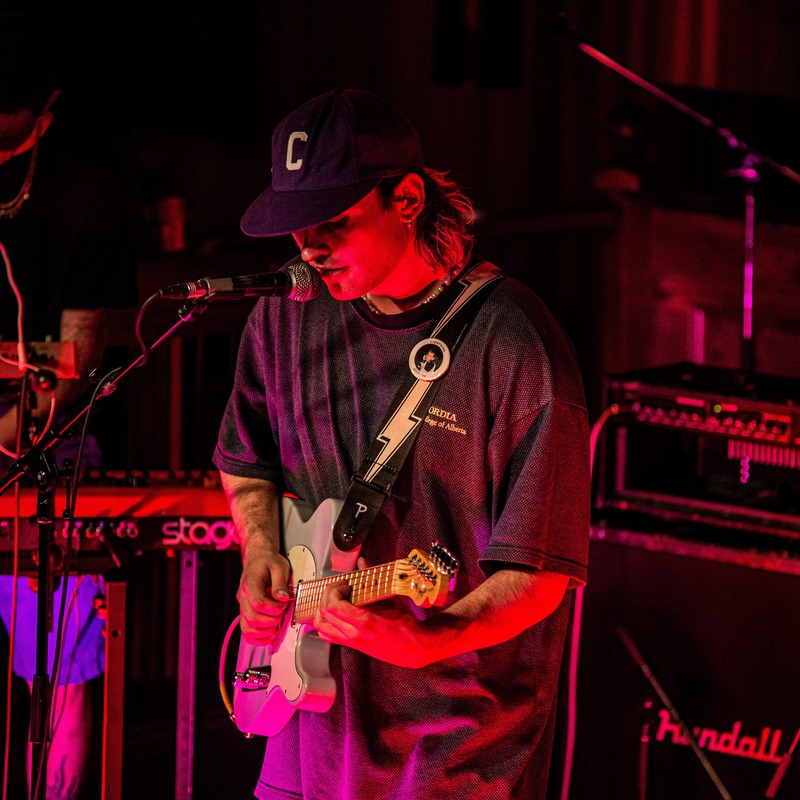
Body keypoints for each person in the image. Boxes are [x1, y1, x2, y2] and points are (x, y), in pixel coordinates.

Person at [213, 88, 590, 800]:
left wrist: (434, 637)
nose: (311, 247)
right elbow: (246, 461)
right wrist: (261, 551)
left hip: (452, 753)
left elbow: (543, 572)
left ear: (409, 198)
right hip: (306, 738)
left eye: (335, 222)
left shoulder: (516, 347)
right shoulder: (284, 314)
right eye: (298, 228)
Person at [0, 12, 134, 799]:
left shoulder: (88, 189)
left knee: (60, 679)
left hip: (47, 455)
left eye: (10, 141)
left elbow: (77, 365)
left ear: (45, 113)